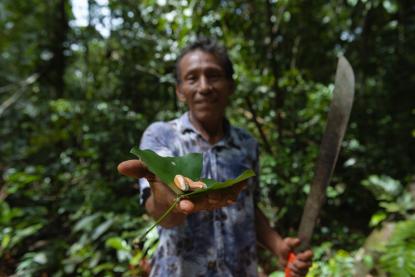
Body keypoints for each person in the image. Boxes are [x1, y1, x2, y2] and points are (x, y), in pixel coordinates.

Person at [118, 37, 313, 277]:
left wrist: (278, 246)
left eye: (213, 75)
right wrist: (169, 199)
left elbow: (248, 205)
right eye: (192, 78)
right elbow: (163, 213)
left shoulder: (246, 144)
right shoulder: (161, 136)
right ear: (180, 91)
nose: (204, 86)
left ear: (230, 85)